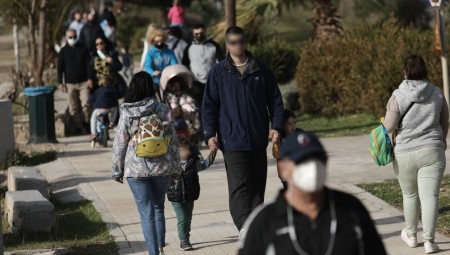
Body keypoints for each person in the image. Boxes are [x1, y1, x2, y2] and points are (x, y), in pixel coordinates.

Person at [238, 131, 387, 255]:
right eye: (301, 162)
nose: (312, 167)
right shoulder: (265, 220)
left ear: (326, 163)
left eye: (317, 160)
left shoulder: (351, 210)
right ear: (283, 168)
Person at [202, 26, 284, 232]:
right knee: (239, 187)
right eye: (234, 42)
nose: (238, 45)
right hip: (231, 140)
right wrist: (210, 134)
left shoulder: (260, 69)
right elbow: (209, 105)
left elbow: (275, 100)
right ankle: (245, 229)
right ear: (227, 45)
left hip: (257, 138)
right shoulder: (218, 72)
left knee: (257, 188)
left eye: (241, 41)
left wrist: (277, 127)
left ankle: (256, 227)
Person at [383, 55, 448, 254]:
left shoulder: (398, 95)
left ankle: (411, 236)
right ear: (425, 70)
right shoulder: (437, 93)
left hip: (404, 153)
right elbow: (444, 121)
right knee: (430, 197)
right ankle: (429, 241)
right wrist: (441, 140)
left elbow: (389, 126)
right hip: (432, 150)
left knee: (410, 195)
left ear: (406, 71)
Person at [112, 71, 180, 255]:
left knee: (146, 212)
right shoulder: (162, 109)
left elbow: (120, 142)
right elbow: (173, 141)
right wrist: (176, 168)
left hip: (136, 169)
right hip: (162, 166)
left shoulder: (127, 111)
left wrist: (117, 170)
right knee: (158, 207)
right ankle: (160, 248)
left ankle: (153, 253)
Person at [166, 135, 217, 251]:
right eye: (184, 149)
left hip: (190, 196)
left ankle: (186, 237)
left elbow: (206, 163)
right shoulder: (170, 164)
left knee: (188, 219)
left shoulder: (193, 163)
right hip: (176, 197)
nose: (187, 151)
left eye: (188, 148)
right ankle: (183, 240)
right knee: (182, 218)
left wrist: (213, 152)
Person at [57, 28, 93, 134]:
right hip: (70, 83)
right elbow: (60, 68)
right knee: (73, 107)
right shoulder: (63, 52)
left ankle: (87, 124)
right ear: (66, 38)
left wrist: (90, 79)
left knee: (86, 104)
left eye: (74, 37)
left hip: (83, 82)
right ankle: (78, 127)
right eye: (70, 37)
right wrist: (60, 83)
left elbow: (88, 65)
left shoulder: (83, 49)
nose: (73, 39)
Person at [182, 23, 224, 111]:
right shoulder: (189, 47)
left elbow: (222, 62)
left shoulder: (214, 45)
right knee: (200, 107)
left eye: (201, 33)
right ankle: (202, 124)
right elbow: (184, 65)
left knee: (214, 106)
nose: (199, 35)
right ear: (193, 34)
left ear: (205, 32)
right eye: (196, 34)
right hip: (196, 82)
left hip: (212, 82)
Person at [273, 109, 304, 189]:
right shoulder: (279, 137)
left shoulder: (300, 134)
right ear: (283, 125)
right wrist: (276, 143)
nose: (293, 126)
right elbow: (276, 155)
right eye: (289, 124)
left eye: (294, 122)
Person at [144, 29, 178, 100]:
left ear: (164, 40)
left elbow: (174, 64)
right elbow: (147, 66)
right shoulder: (150, 54)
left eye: (161, 41)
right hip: (156, 81)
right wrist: (153, 72)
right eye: (157, 42)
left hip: (168, 80)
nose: (159, 43)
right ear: (153, 41)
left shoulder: (170, 52)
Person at [88, 74, 119, 141]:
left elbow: (91, 100)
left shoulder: (99, 90)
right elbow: (115, 100)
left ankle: (93, 134)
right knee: (115, 108)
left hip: (98, 108)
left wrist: (90, 104)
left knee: (93, 119)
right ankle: (112, 122)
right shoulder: (113, 91)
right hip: (110, 108)